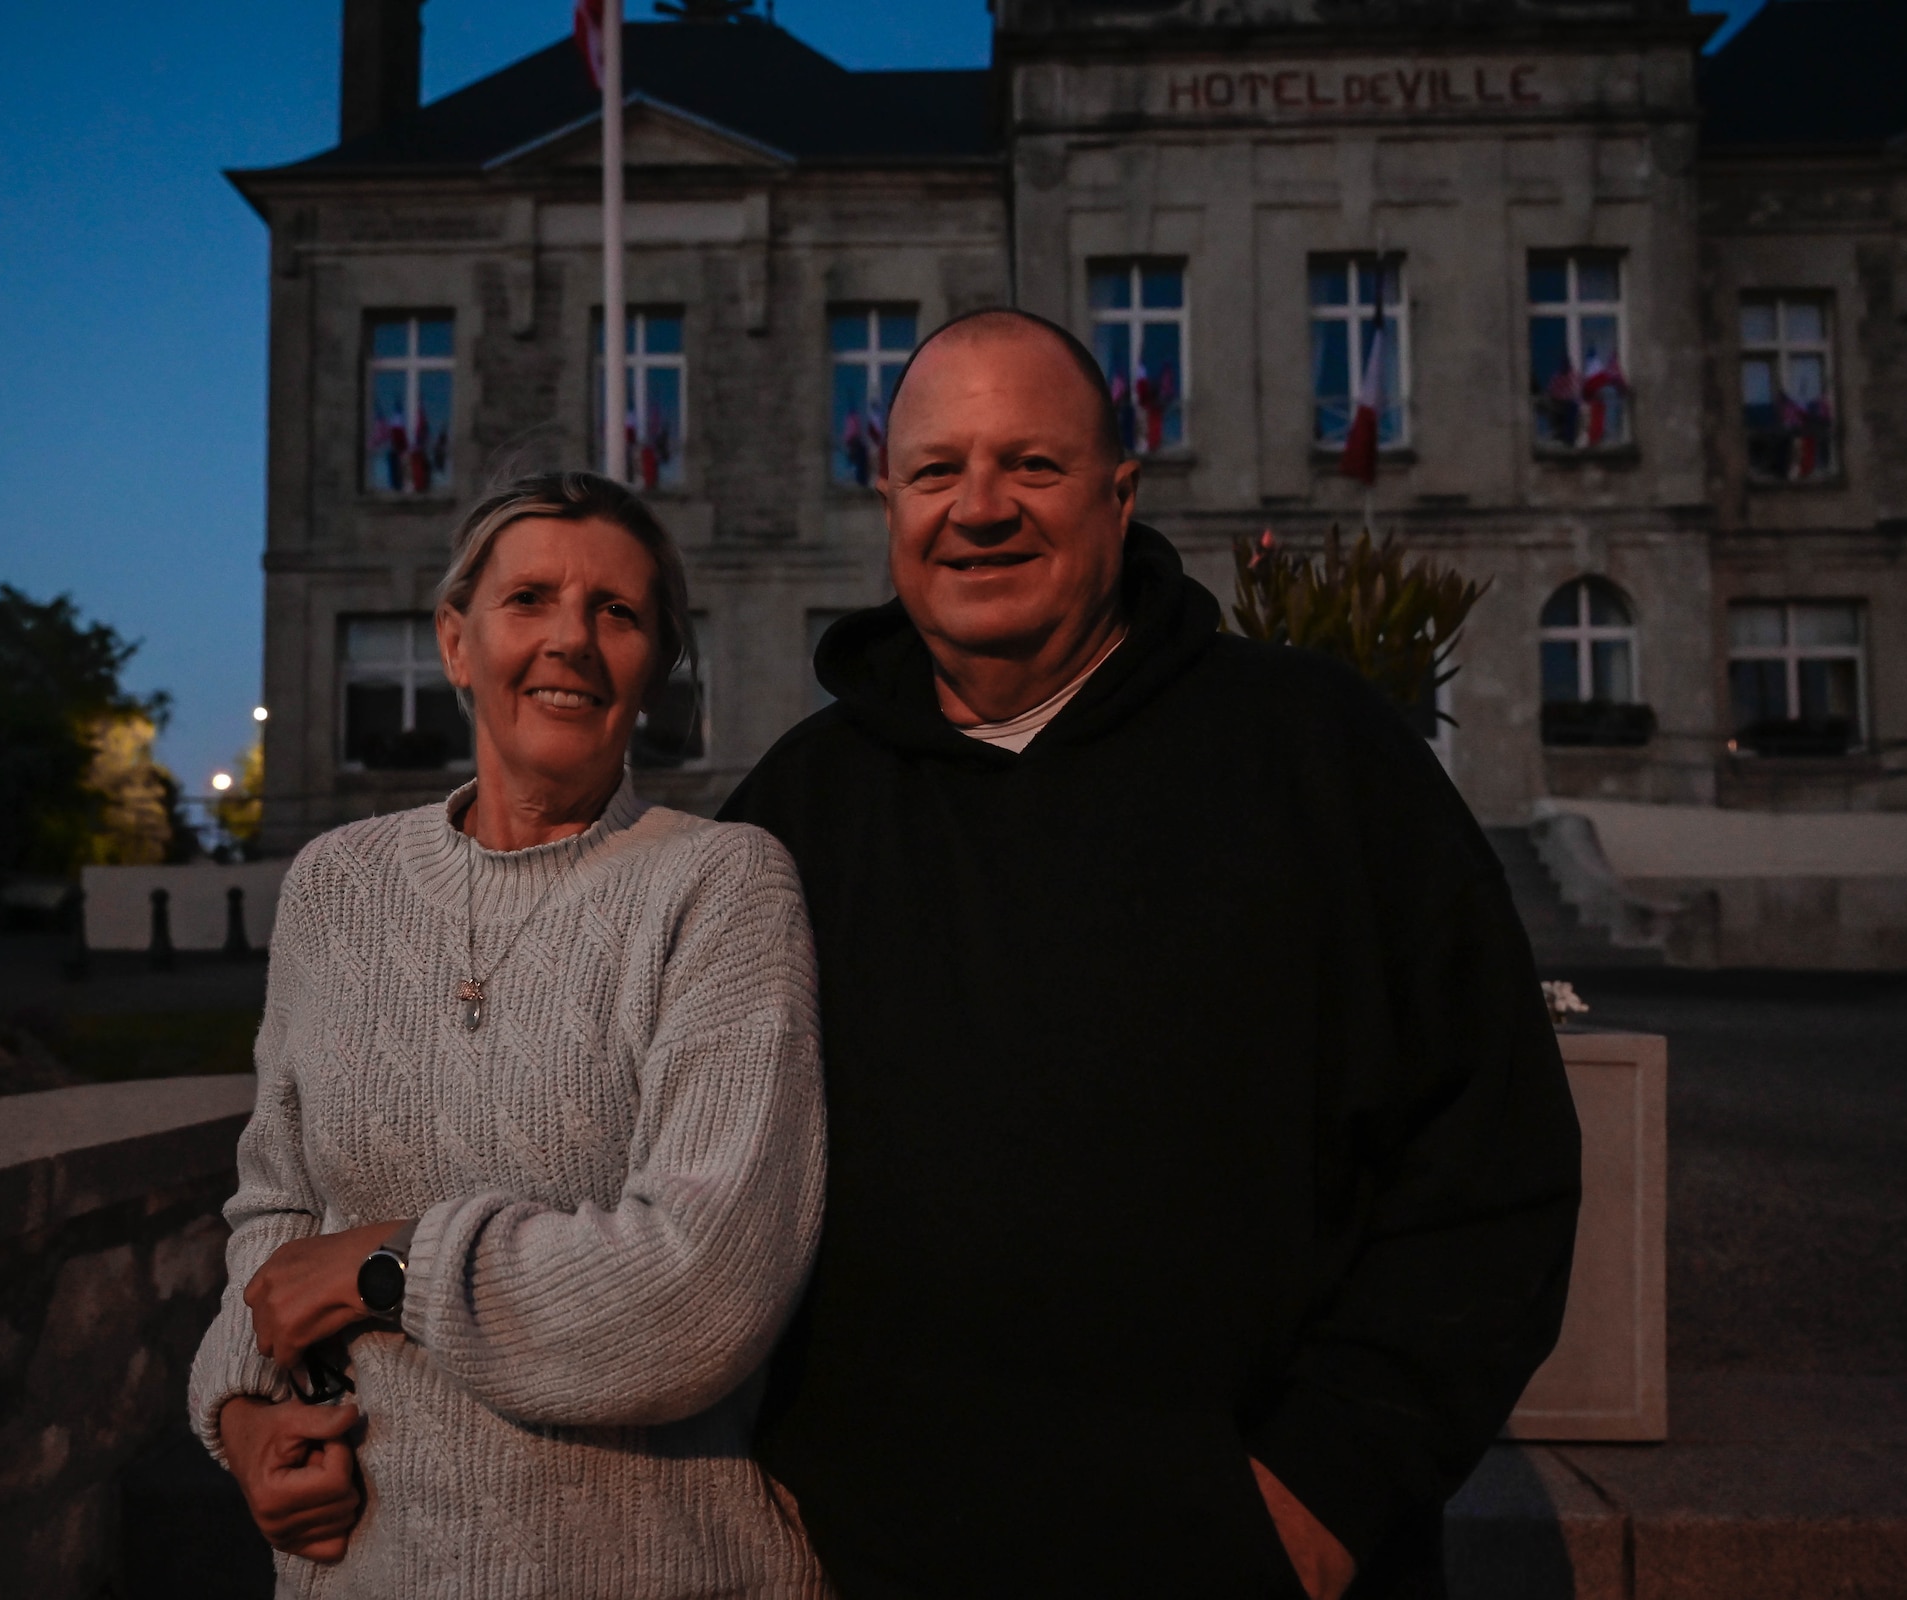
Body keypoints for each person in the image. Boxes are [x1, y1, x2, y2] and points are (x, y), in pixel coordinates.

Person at [718, 310, 1582, 1599]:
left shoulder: (1317, 756)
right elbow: (667, 1195)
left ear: (1119, 497)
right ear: (886, 500)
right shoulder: (791, 814)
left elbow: (1489, 1161)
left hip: (1238, 1568)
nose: (982, 507)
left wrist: (1322, 1493)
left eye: (1034, 465)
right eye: (938, 470)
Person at [189, 472, 829, 1598]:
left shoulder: (721, 884)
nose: (570, 640)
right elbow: (275, 1209)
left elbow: (701, 1293)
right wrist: (241, 1412)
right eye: (529, 597)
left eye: (617, 613)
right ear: (454, 638)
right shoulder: (336, 887)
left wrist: (391, 1266)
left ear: (655, 665)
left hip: (659, 1570)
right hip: (364, 1568)